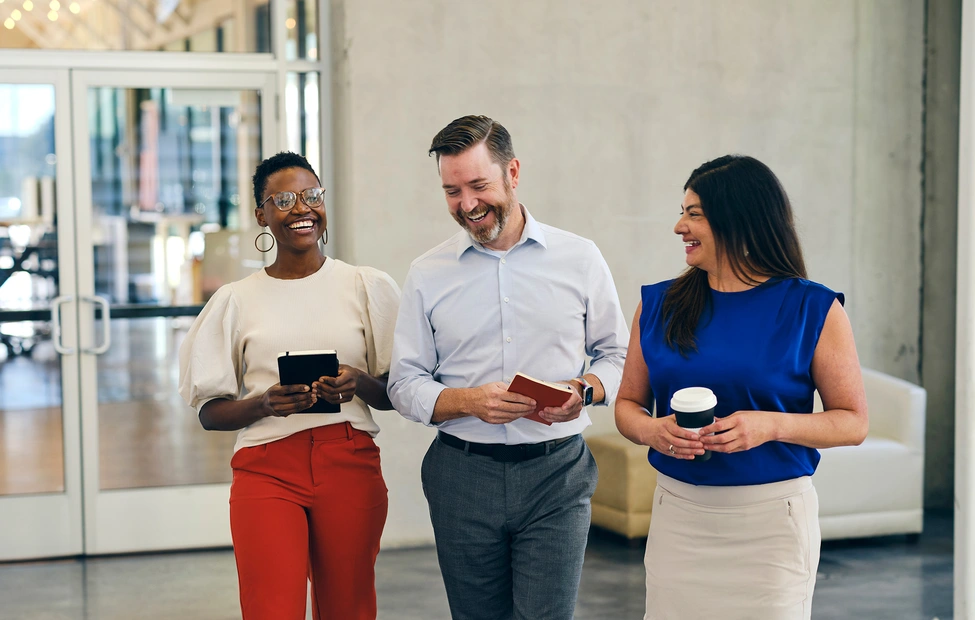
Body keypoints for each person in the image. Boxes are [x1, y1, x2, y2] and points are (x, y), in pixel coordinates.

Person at [388, 115, 629, 620]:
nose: (468, 204)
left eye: (479, 185)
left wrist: (583, 391)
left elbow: (620, 358)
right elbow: (404, 382)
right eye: (452, 191)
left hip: (556, 473)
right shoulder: (427, 274)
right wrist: (466, 401)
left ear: (513, 173)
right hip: (461, 474)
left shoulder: (579, 258)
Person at [615, 154, 869, 619]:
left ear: (741, 220)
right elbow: (629, 404)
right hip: (679, 519)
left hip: (773, 527)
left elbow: (852, 423)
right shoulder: (657, 305)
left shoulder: (813, 308)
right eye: (682, 211)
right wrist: (653, 432)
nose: (678, 226)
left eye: (694, 214)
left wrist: (769, 426)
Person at [177, 152, 400, 620]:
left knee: (349, 608)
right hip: (266, 468)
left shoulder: (365, 287)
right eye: (283, 199)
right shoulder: (235, 300)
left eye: (311, 196)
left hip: (349, 461)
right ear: (262, 214)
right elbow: (210, 413)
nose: (302, 208)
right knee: (270, 609)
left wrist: (358, 382)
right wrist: (263, 405)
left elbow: (397, 394)